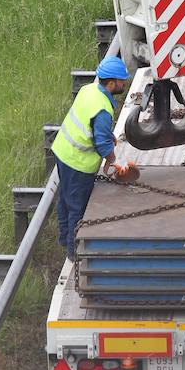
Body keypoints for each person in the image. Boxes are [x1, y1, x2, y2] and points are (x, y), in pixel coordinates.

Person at [52, 55, 136, 261]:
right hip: (78, 163)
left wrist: (106, 134)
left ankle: (64, 239)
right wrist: (114, 161)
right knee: (77, 207)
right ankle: (74, 252)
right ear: (111, 83)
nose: (124, 83)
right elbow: (101, 144)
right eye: (121, 80)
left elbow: (86, 122)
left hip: (62, 151)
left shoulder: (88, 90)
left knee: (64, 198)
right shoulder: (103, 109)